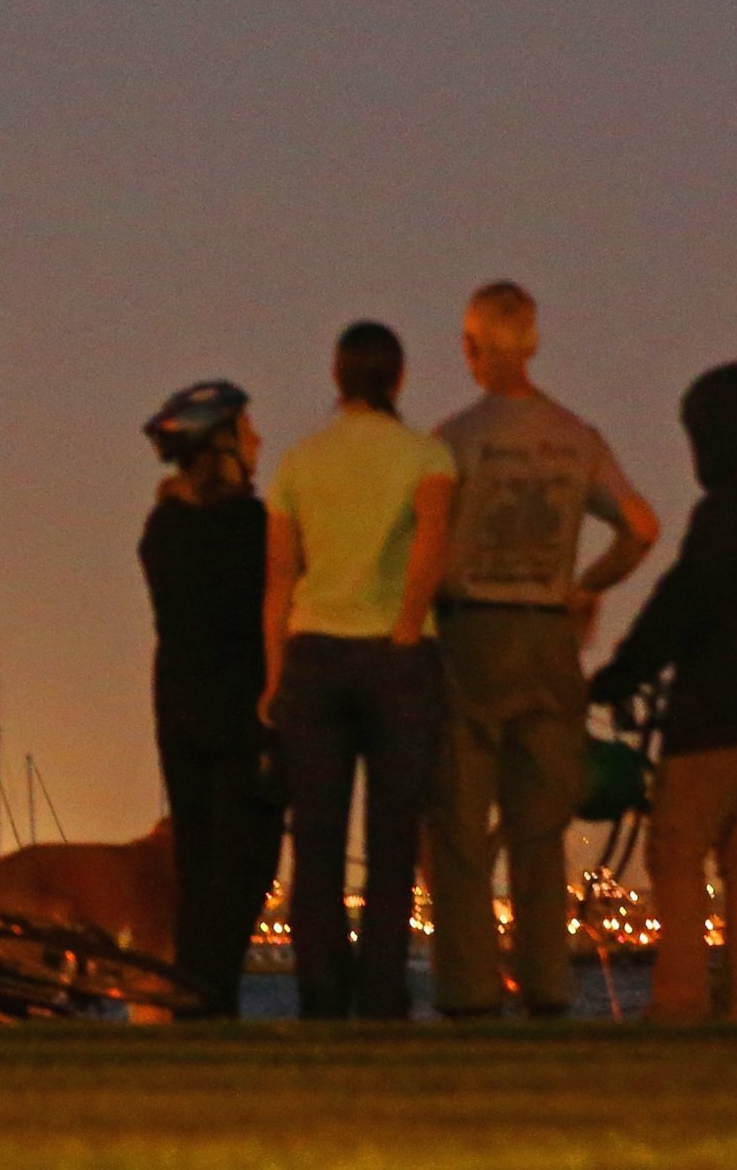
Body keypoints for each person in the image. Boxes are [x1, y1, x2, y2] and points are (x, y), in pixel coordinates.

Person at [428, 281, 660, 1018]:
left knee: (461, 831)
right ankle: (548, 988)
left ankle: (467, 995)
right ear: (533, 344)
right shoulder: (576, 437)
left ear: (472, 348)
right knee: (540, 829)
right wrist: (588, 586)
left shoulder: (454, 439)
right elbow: (642, 526)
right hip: (549, 640)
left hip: (470, 638)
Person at [588, 362, 737, 1023]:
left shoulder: (730, 508)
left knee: (676, 847)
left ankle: (679, 1002)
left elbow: (684, 603)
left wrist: (622, 672)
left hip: (720, 715)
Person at [263, 323, 457, 1020]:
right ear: (399, 379)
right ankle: (381, 994)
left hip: (314, 652)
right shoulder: (427, 456)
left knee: (314, 840)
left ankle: (320, 995)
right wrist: (407, 625)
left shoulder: (297, 463)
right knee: (391, 839)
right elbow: (431, 543)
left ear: (337, 379)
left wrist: (273, 674)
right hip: (397, 657)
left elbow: (280, 578)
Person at [138, 379, 287, 1020]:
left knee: (198, 863)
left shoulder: (162, 529)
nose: (257, 441)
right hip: (242, 711)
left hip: (178, 707)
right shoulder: (255, 528)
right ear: (221, 442)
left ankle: (194, 994)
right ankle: (210, 995)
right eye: (246, 431)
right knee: (247, 862)